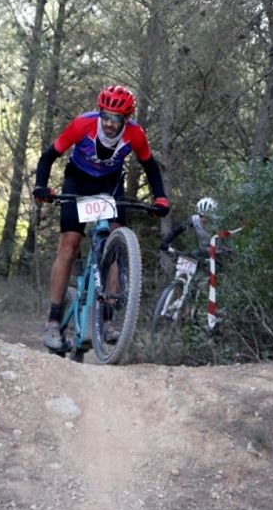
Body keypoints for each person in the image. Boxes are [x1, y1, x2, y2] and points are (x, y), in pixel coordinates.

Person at [32, 85, 170, 349]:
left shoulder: (135, 134)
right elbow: (49, 156)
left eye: (116, 118)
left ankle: (108, 320)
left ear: (126, 119)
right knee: (69, 245)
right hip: (78, 183)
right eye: (105, 115)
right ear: (100, 111)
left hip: (109, 187)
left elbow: (149, 165)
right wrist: (41, 187)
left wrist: (161, 197)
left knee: (116, 245)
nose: (109, 123)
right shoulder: (82, 125)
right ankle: (52, 319)